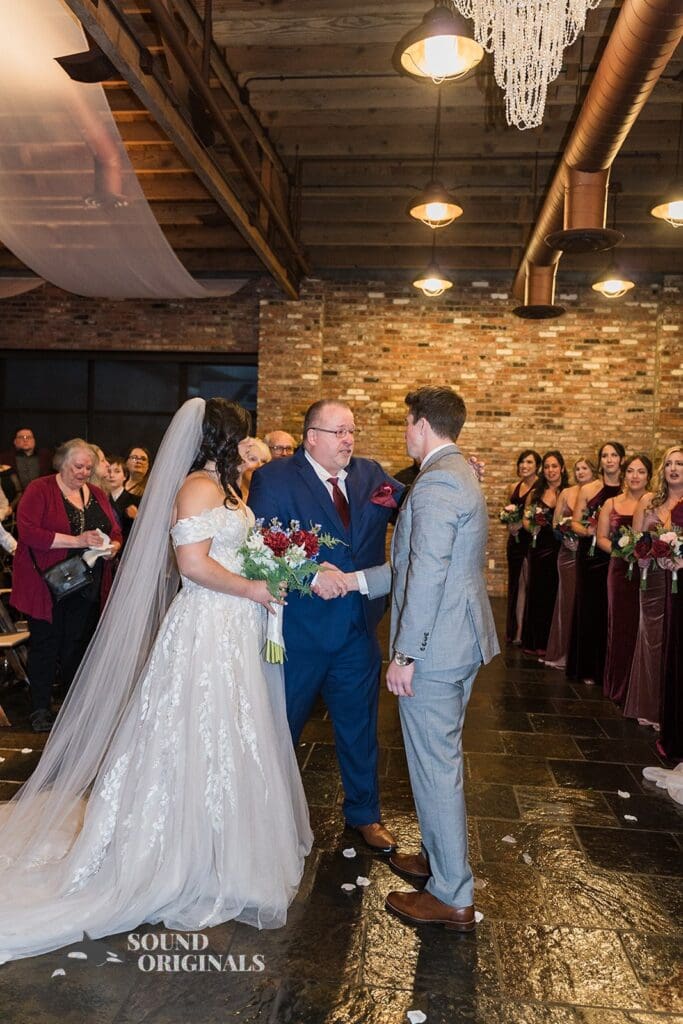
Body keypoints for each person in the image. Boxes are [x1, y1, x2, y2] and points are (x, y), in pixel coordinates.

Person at [0, 397, 312, 964]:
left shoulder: (231, 487)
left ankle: (227, 849)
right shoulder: (196, 486)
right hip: (206, 626)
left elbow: (232, 549)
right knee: (196, 730)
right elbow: (192, 564)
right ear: (222, 438)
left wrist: (270, 567)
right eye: (242, 435)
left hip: (235, 625)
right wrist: (254, 589)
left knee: (235, 732)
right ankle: (177, 853)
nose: (249, 443)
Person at [320, 386, 499, 930]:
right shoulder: (457, 473)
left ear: (422, 425)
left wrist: (404, 654)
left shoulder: (440, 482)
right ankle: (442, 862)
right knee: (435, 761)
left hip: (436, 649)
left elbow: (426, 577)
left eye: (406, 423)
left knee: (434, 765)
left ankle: (451, 894)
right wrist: (353, 580)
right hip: (457, 640)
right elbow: (411, 568)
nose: (404, 432)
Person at [248, 399, 402, 854]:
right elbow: (260, 543)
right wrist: (312, 574)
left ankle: (365, 814)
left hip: (357, 627)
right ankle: (267, 814)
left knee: (359, 727)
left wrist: (449, 478)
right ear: (311, 436)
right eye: (339, 432)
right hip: (301, 632)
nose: (349, 440)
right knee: (283, 725)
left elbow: (411, 504)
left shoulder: (371, 475)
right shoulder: (274, 479)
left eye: (352, 431)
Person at [11, 439, 122, 732]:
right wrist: (78, 540)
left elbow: (114, 529)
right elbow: (29, 532)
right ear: (62, 463)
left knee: (76, 645)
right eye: (78, 466)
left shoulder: (97, 493)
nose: (84, 472)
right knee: (46, 644)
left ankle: (72, 706)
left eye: (88, 467)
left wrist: (113, 546)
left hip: (87, 583)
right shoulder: (40, 489)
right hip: (46, 584)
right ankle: (40, 708)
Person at [623, 446, 682, 728]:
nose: (673, 468)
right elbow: (637, 541)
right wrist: (641, 556)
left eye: (679, 463)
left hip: (679, 582)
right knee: (651, 639)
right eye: (669, 463)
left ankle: (670, 710)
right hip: (654, 582)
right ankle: (649, 706)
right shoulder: (649, 501)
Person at [567, 441, 625, 686]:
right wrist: (590, 530)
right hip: (591, 556)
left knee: (614, 612)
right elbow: (575, 523)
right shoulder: (589, 489)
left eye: (614, 455)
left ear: (622, 459)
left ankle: (611, 668)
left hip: (620, 555)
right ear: (600, 460)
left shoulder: (629, 488)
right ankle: (589, 668)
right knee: (590, 609)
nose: (609, 460)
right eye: (605, 455)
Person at [598, 454, 652, 705]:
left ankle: (642, 686)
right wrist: (624, 551)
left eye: (640, 471)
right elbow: (601, 539)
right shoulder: (611, 503)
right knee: (621, 627)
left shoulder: (655, 502)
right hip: (620, 570)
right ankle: (619, 686)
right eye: (630, 471)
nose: (634, 476)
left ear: (649, 476)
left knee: (645, 628)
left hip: (649, 572)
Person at [544, 457, 597, 669]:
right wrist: (564, 536)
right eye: (577, 469)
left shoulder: (597, 493)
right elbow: (556, 522)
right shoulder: (567, 493)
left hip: (588, 554)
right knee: (566, 600)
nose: (580, 472)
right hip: (567, 555)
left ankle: (579, 655)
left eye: (585, 468)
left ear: (593, 470)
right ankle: (561, 651)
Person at [521, 450, 567, 656]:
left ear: (562, 469)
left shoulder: (569, 491)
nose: (550, 470)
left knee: (555, 593)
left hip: (560, 549)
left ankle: (551, 642)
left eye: (554, 466)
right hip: (538, 547)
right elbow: (525, 518)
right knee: (537, 592)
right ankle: (533, 640)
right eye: (547, 467)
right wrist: (532, 528)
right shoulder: (535, 492)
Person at [504, 450, 541, 644]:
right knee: (515, 585)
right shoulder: (513, 487)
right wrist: (510, 524)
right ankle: (514, 629)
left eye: (529, 462)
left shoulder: (538, 489)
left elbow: (533, 516)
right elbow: (508, 511)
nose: (524, 466)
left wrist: (521, 525)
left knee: (526, 585)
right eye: (522, 462)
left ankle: (523, 632)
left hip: (530, 541)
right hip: (514, 541)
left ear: (537, 467)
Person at [106, 455, 140, 545]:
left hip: (127, 547)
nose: (111, 475)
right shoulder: (98, 499)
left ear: (125, 476)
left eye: (117, 471)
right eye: (108, 471)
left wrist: (137, 517)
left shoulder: (136, 501)